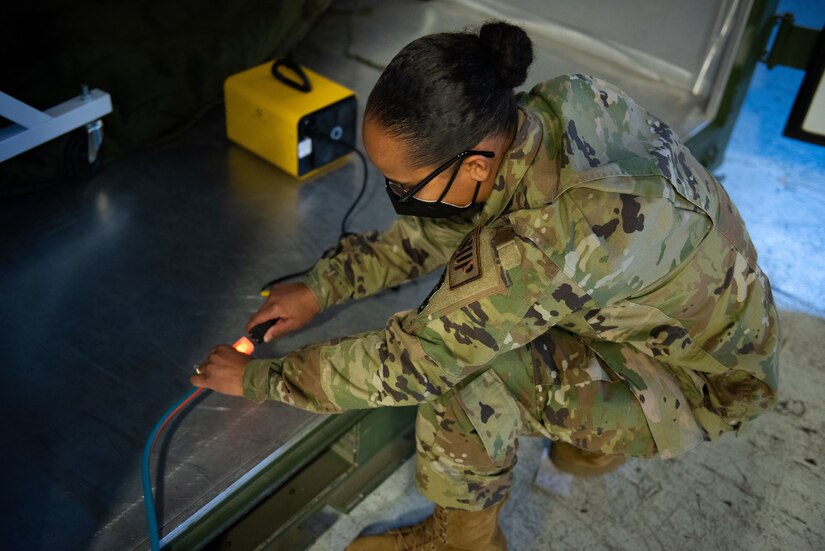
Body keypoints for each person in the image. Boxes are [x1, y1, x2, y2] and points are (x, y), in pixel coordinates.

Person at [191, 20, 779, 551]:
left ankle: (463, 544)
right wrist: (323, 287)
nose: (400, 200)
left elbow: (412, 362)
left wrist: (261, 378)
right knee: (498, 291)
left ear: (473, 164)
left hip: (701, 383)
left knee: (467, 379)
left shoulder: (540, 246)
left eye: (404, 185)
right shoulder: (558, 104)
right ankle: (593, 445)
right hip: (699, 315)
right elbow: (453, 223)